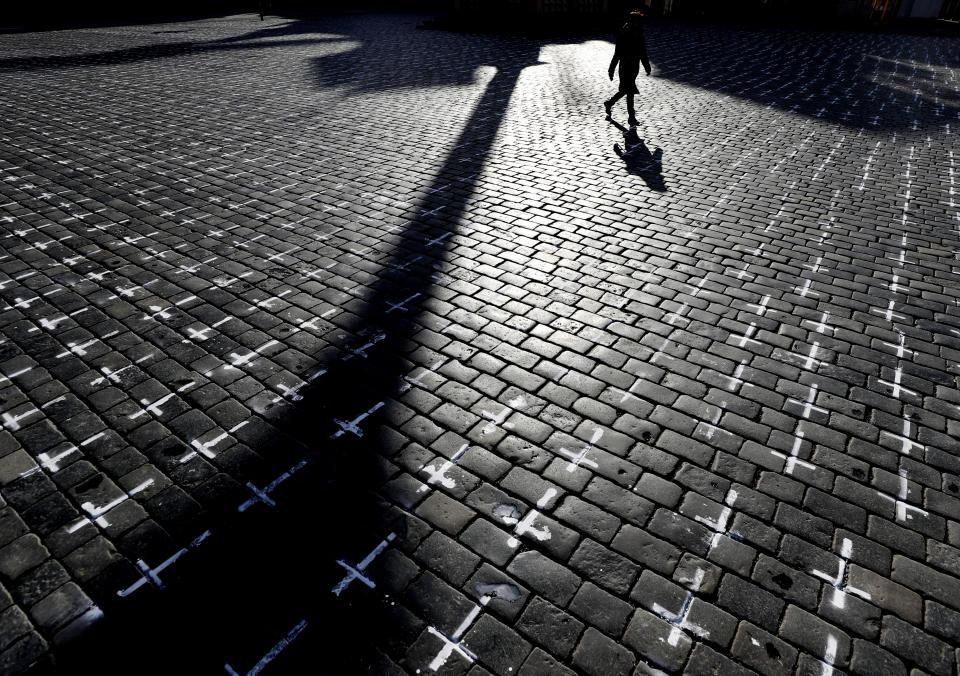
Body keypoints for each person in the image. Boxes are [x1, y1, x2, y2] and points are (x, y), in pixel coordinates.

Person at [604, 10, 651, 127]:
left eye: (638, 21)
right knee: (629, 91)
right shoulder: (623, 34)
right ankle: (631, 117)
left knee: (626, 90)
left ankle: (609, 103)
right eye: (635, 21)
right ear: (631, 21)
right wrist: (611, 69)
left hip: (634, 67)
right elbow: (617, 53)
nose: (637, 23)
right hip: (625, 67)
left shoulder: (639, 34)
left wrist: (647, 66)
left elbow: (643, 52)